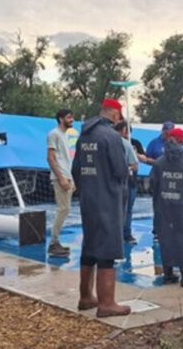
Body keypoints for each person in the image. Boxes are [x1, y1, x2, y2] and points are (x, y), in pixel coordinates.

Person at [71, 99, 131, 317]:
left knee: (90, 246)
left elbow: (76, 169)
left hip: (88, 199)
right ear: (115, 114)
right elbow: (121, 170)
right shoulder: (111, 137)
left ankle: (86, 296)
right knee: (107, 249)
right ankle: (107, 303)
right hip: (107, 199)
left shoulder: (84, 136)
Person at [150, 127, 183, 287]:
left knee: (166, 236)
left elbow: (152, 183)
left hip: (164, 206)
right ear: (182, 141)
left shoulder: (159, 162)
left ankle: (168, 273)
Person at [46, 108, 74, 258]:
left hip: (66, 176)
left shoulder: (63, 135)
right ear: (61, 119)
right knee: (63, 209)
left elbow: (64, 159)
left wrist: (70, 178)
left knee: (65, 209)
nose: (72, 120)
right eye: (69, 117)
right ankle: (53, 243)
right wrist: (61, 177)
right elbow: (50, 158)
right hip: (60, 177)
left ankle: (55, 242)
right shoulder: (54, 134)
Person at [113, 121, 140, 245]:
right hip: (118, 183)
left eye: (129, 132)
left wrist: (136, 155)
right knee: (119, 209)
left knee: (127, 209)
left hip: (130, 182)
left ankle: (126, 234)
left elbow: (136, 164)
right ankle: (118, 234)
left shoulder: (133, 143)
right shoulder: (114, 143)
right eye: (125, 131)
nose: (126, 134)